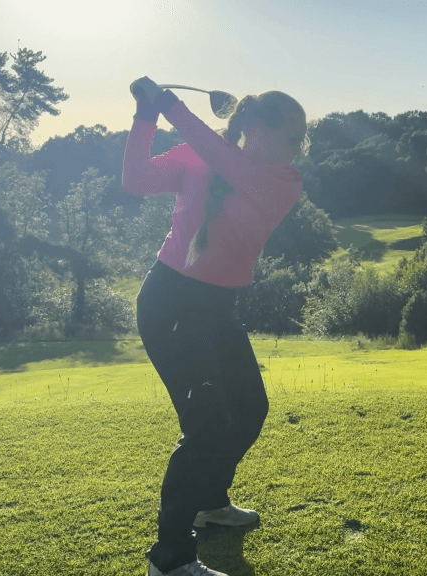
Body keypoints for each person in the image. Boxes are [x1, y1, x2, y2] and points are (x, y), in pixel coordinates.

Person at [122, 77, 308, 576]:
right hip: (171, 302)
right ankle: (171, 560)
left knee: (249, 409)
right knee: (205, 426)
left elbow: (230, 165)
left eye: (300, 137)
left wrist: (171, 105)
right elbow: (137, 179)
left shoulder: (283, 181)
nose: (296, 145)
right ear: (254, 125)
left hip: (219, 306)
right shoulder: (199, 154)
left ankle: (208, 504)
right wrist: (146, 115)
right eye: (289, 134)